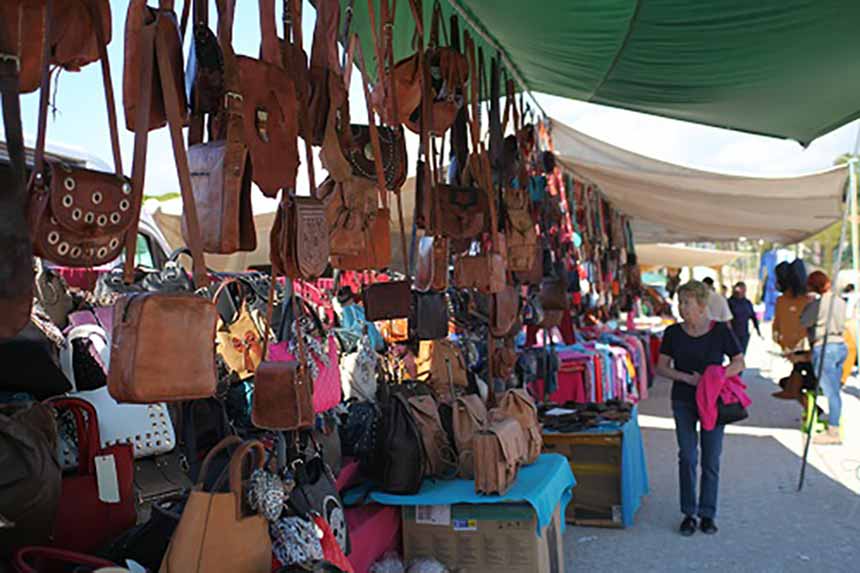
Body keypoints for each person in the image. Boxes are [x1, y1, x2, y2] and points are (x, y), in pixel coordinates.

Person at [656, 281, 744, 537]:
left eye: (687, 303)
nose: (682, 308)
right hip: (683, 400)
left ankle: (708, 514)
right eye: (680, 302)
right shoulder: (673, 333)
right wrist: (686, 378)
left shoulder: (720, 332)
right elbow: (661, 367)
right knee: (687, 456)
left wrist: (716, 378)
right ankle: (689, 513)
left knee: (710, 459)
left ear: (703, 306)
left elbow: (739, 362)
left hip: (714, 403)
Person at [800, 271, 847, 445]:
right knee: (835, 390)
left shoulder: (818, 305)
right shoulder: (841, 302)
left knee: (830, 392)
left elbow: (804, 321)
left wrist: (808, 305)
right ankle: (835, 422)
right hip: (840, 345)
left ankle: (833, 431)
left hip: (824, 345)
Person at [727, 282, 761, 355]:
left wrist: (757, 329)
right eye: (741, 290)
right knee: (735, 355)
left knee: (742, 354)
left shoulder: (747, 302)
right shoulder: (729, 302)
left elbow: (753, 316)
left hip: (744, 334)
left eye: (744, 290)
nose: (743, 292)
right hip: (733, 334)